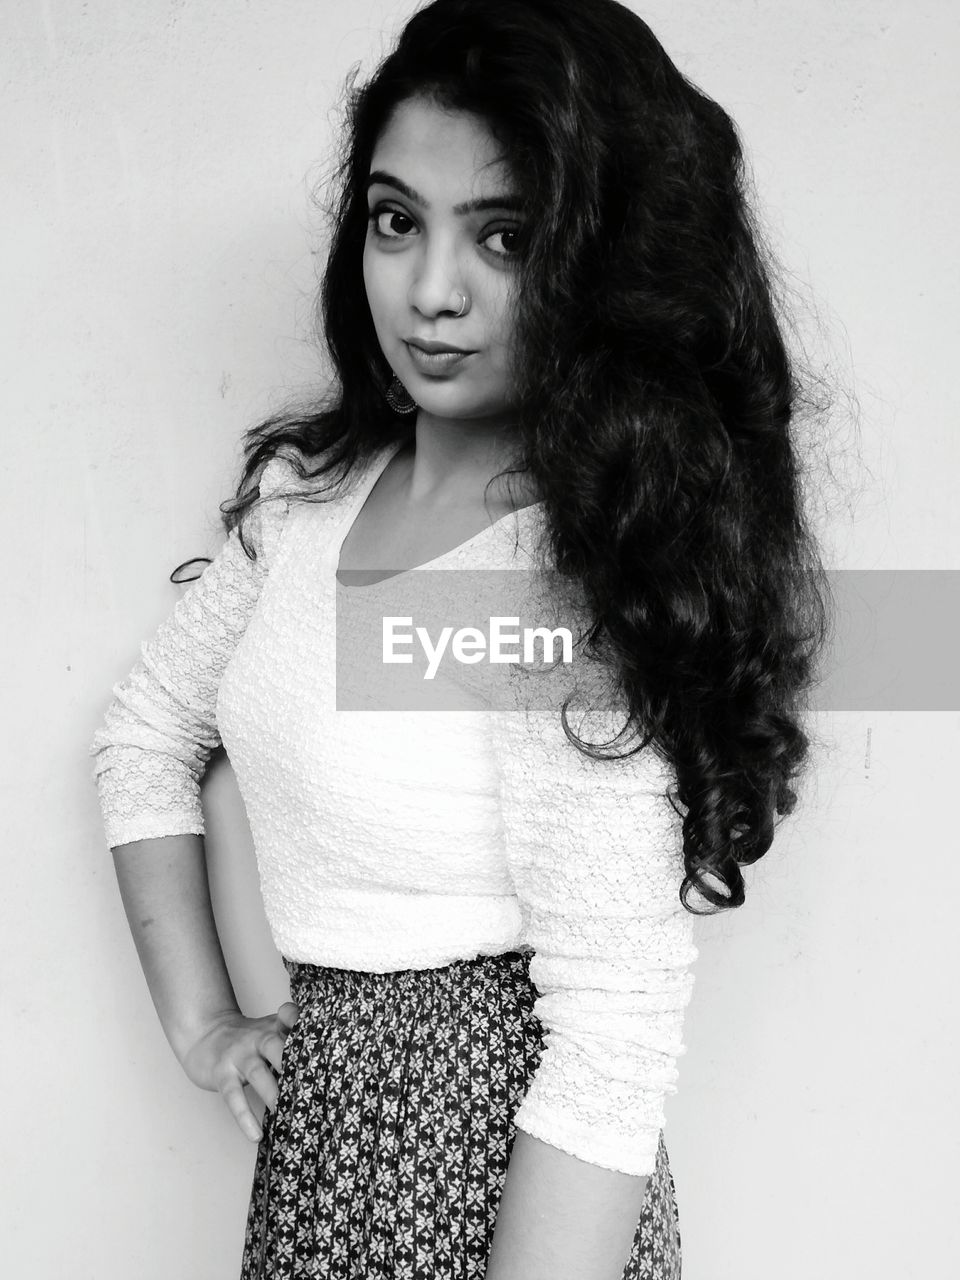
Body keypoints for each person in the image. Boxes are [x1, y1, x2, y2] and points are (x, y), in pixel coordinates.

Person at [88, 1, 831, 1277]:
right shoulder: (304, 504)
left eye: (506, 236)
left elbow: (612, 1030)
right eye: (396, 220)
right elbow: (144, 735)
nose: (432, 292)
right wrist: (205, 1023)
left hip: (511, 1176)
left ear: (602, 262)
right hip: (326, 1150)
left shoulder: (568, 578)